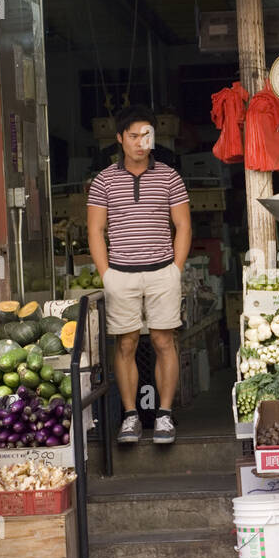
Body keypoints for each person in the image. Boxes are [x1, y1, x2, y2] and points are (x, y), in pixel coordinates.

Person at [87, 105, 192, 447]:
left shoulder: (169, 177)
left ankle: (164, 415)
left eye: (146, 135)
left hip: (163, 271)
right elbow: (95, 230)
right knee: (127, 343)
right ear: (120, 139)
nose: (140, 142)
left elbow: (183, 225)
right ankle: (130, 416)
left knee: (164, 341)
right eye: (133, 136)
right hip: (121, 274)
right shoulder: (103, 180)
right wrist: (107, 275)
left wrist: (175, 270)